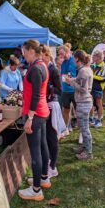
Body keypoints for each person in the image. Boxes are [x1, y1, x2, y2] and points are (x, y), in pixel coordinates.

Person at [18, 39, 50, 201]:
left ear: (31, 50)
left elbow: (36, 95)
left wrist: (29, 118)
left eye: (24, 51)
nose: (22, 55)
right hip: (41, 112)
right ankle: (43, 178)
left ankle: (36, 189)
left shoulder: (36, 68)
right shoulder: (41, 65)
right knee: (43, 146)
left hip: (36, 114)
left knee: (35, 152)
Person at [40, 45, 65, 178]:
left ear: (46, 55)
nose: (39, 58)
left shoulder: (53, 69)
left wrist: (48, 87)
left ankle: (53, 167)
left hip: (52, 105)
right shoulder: (43, 68)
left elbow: (59, 90)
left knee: (52, 137)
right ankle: (49, 163)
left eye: (41, 56)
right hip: (44, 105)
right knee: (47, 138)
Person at [66, 50, 93, 160]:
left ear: (77, 58)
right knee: (82, 127)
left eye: (73, 57)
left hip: (84, 102)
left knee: (85, 128)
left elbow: (83, 89)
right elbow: (80, 82)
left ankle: (88, 152)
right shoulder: (85, 69)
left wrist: (71, 83)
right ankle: (84, 147)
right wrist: (72, 80)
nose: (72, 59)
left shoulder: (83, 71)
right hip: (84, 102)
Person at [59, 45, 77, 134]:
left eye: (62, 54)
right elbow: (63, 75)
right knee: (66, 109)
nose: (61, 56)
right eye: (59, 54)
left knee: (77, 111)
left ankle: (81, 132)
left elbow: (75, 75)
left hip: (74, 90)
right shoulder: (63, 62)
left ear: (67, 51)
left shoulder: (74, 60)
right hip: (65, 90)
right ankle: (66, 127)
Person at [89, 50, 105, 128]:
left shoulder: (104, 65)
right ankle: (91, 118)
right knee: (90, 103)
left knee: (98, 104)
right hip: (91, 86)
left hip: (98, 87)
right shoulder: (93, 65)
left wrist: (92, 76)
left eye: (94, 56)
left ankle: (99, 120)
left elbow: (104, 78)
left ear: (98, 57)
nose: (92, 57)